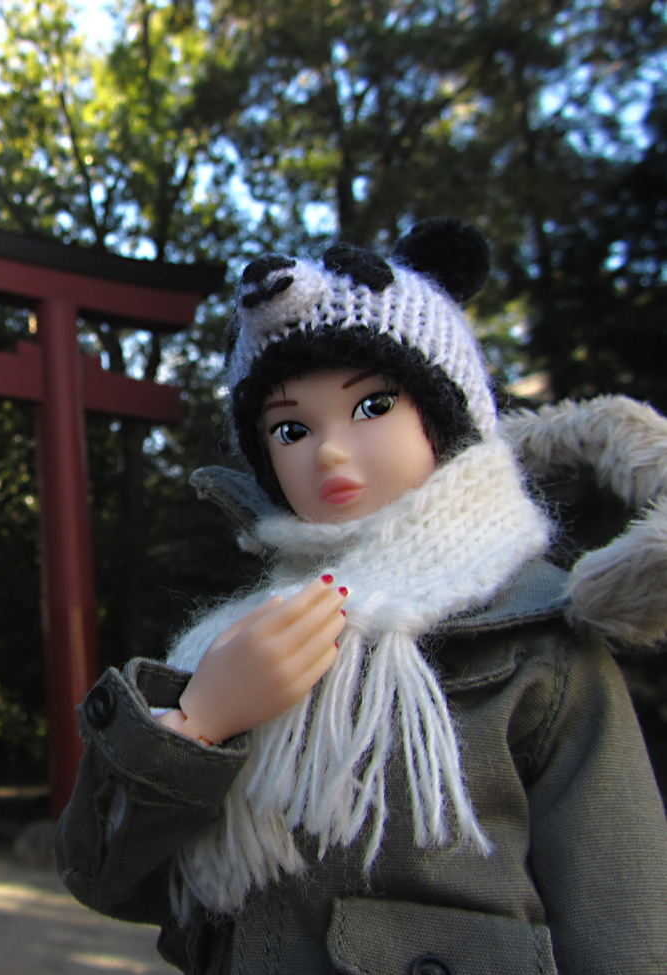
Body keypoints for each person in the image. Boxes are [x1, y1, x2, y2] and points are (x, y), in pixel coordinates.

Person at [54, 218, 667, 974]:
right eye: (288, 429)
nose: (331, 450)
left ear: (445, 419)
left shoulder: (538, 639)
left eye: (373, 406)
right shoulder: (247, 633)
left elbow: (625, 921)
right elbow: (106, 876)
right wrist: (196, 725)